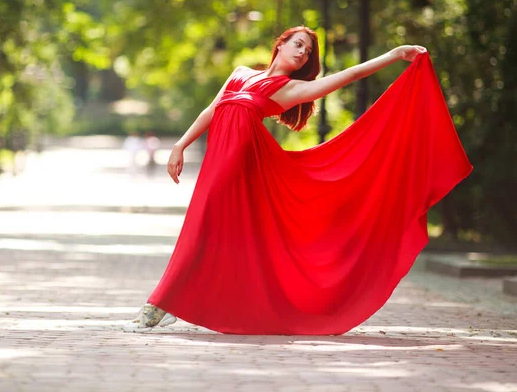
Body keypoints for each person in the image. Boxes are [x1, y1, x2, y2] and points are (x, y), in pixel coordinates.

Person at [125, 26, 472, 335]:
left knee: (201, 229)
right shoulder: (240, 73)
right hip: (218, 161)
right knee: (204, 230)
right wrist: (180, 144)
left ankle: (160, 306)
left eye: (307, 51)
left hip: (242, 166)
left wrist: (394, 55)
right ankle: (179, 304)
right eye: (299, 44)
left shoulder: (290, 90)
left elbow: (348, 76)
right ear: (281, 44)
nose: (303, 53)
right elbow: (211, 111)